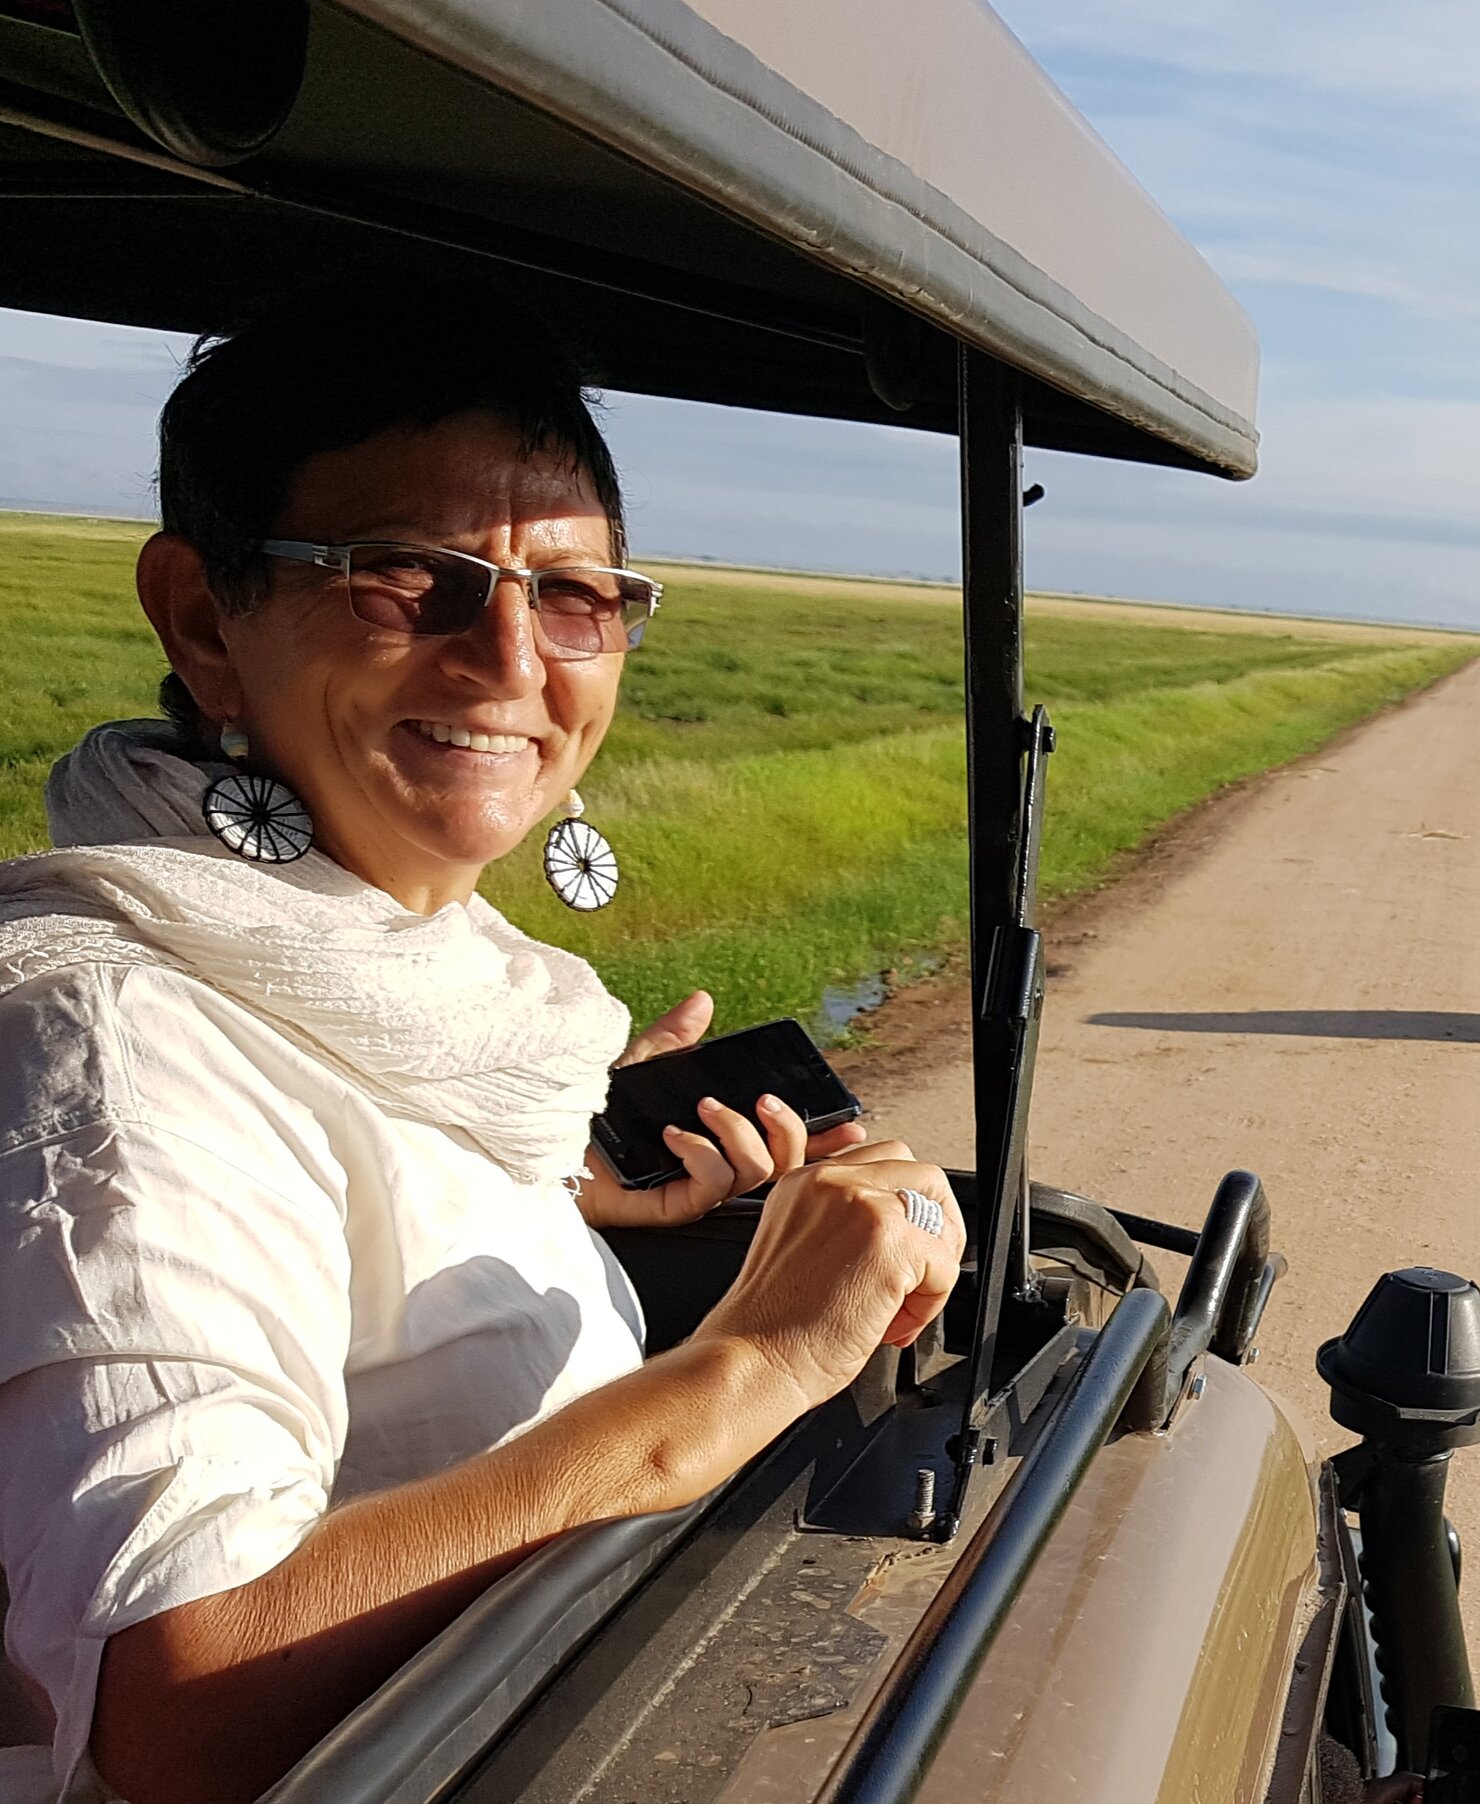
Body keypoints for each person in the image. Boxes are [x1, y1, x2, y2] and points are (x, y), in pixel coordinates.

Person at [0, 287, 965, 1804]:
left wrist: (548, 1192)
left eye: (574, 596)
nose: (511, 657)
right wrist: (759, 1358)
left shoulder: (412, 981)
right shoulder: (117, 1047)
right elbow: (182, 1703)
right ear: (203, 615)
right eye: (406, 578)